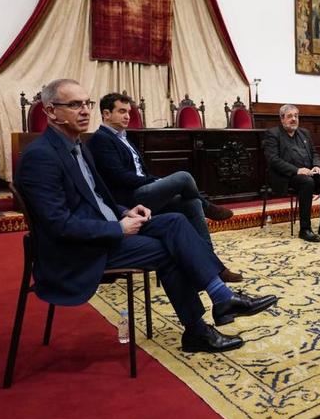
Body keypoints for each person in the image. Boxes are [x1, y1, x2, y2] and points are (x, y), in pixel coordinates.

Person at [15, 79, 277, 353]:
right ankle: (200, 328)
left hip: (104, 229)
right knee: (168, 251)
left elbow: (97, 199)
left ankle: (221, 300)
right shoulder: (40, 157)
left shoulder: (78, 147)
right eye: (73, 105)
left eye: (86, 104)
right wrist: (118, 229)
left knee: (176, 220)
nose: (84, 111)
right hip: (78, 250)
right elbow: (59, 225)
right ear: (50, 111)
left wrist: (125, 211)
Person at [87, 93, 242, 282]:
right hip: (128, 202)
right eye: (121, 111)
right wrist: (153, 182)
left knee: (192, 203)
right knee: (183, 177)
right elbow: (118, 177)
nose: (128, 116)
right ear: (106, 114)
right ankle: (208, 207)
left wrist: (154, 181)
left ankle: (213, 267)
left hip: (141, 192)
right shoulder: (101, 139)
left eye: (128, 112)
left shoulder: (124, 138)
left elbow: (140, 173)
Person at [264, 104, 320, 243]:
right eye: (290, 116)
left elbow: (314, 153)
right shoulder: (273, 134)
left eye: (296, 116)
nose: (294, 119)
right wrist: (297, 170)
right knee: (307, 182)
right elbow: (273, 160)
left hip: (308, 173)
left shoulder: (304, 133)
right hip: (286, 176)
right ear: (282, 119)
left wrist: (317, 166)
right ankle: (305, 229)